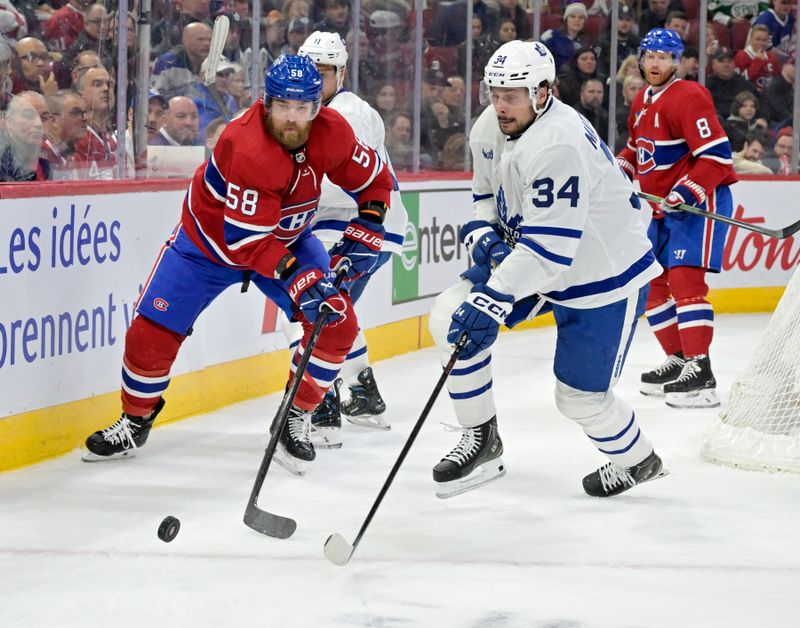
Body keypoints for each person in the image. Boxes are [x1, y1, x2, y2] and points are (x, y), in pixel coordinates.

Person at [83, 54, 393, 476]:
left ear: (317, 107)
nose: (292, 118)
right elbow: (247, 243)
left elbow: (374, 181)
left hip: (288, 239)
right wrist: (299, 278)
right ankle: (135, 419)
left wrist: (368, 226)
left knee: (337, 324)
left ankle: (294, 418)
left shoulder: (333, 131)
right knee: (150, 333)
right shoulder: (245, 145)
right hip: (207, 246)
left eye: (302, 108)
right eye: (283, 106)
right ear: (267, 102)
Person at [428, 40, 665, 500]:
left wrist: (493, 297)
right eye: (494, 93)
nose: (500, 105)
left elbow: (551, 251)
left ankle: (639, 459)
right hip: (538, 256)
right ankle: (482, 439)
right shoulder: (490, 127)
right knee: (449, 316)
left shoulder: (557, 142)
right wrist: (485, 239)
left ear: (543, 92)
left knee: (578, 399)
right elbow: (482, 196)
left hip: (600, 277)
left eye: (511, 95)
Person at [293, 31, 408, 444]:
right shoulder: (302, 108)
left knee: (312, 307)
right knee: (333, 308)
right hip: (339, 224)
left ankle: (321, 412)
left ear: (340, 74)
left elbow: (345, 187)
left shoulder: (350, 114)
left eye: (324, 72)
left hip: (364, 223)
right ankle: (363, 395)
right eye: (310, 71)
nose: (316, 79)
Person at [617, 29, 738, 409]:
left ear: (677, 61)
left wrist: (688, 191)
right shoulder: (641, 99)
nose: (655, 63)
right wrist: (620, 165)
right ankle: (680, 359)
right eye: (650, 56)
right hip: (659, 206)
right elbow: (639, 149)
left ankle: (701, 373)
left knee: (686, 282)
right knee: (651, 283)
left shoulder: (689, 96)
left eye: (664, 57)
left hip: (697, 203)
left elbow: (717, 156)